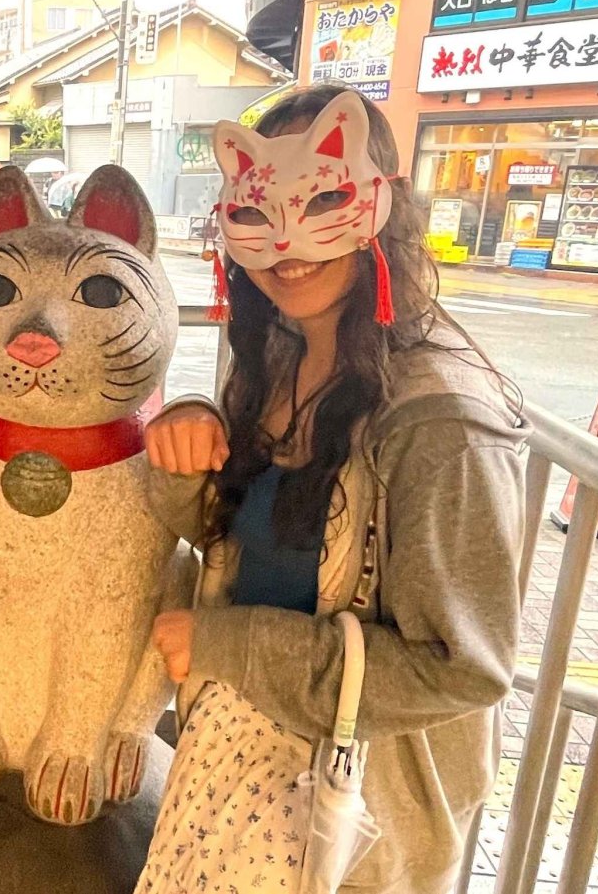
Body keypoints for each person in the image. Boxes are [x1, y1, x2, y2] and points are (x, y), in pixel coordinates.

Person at [135, 84, 525, 893]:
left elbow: (463, 669)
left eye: (322, 200)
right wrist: (188, 439)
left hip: (351, 827)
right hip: (232, 774)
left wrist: (231, 645)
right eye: (257, 210)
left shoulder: (442, 419)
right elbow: (234, 535)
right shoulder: (279, 350)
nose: (286, 243)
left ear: (383, 204)